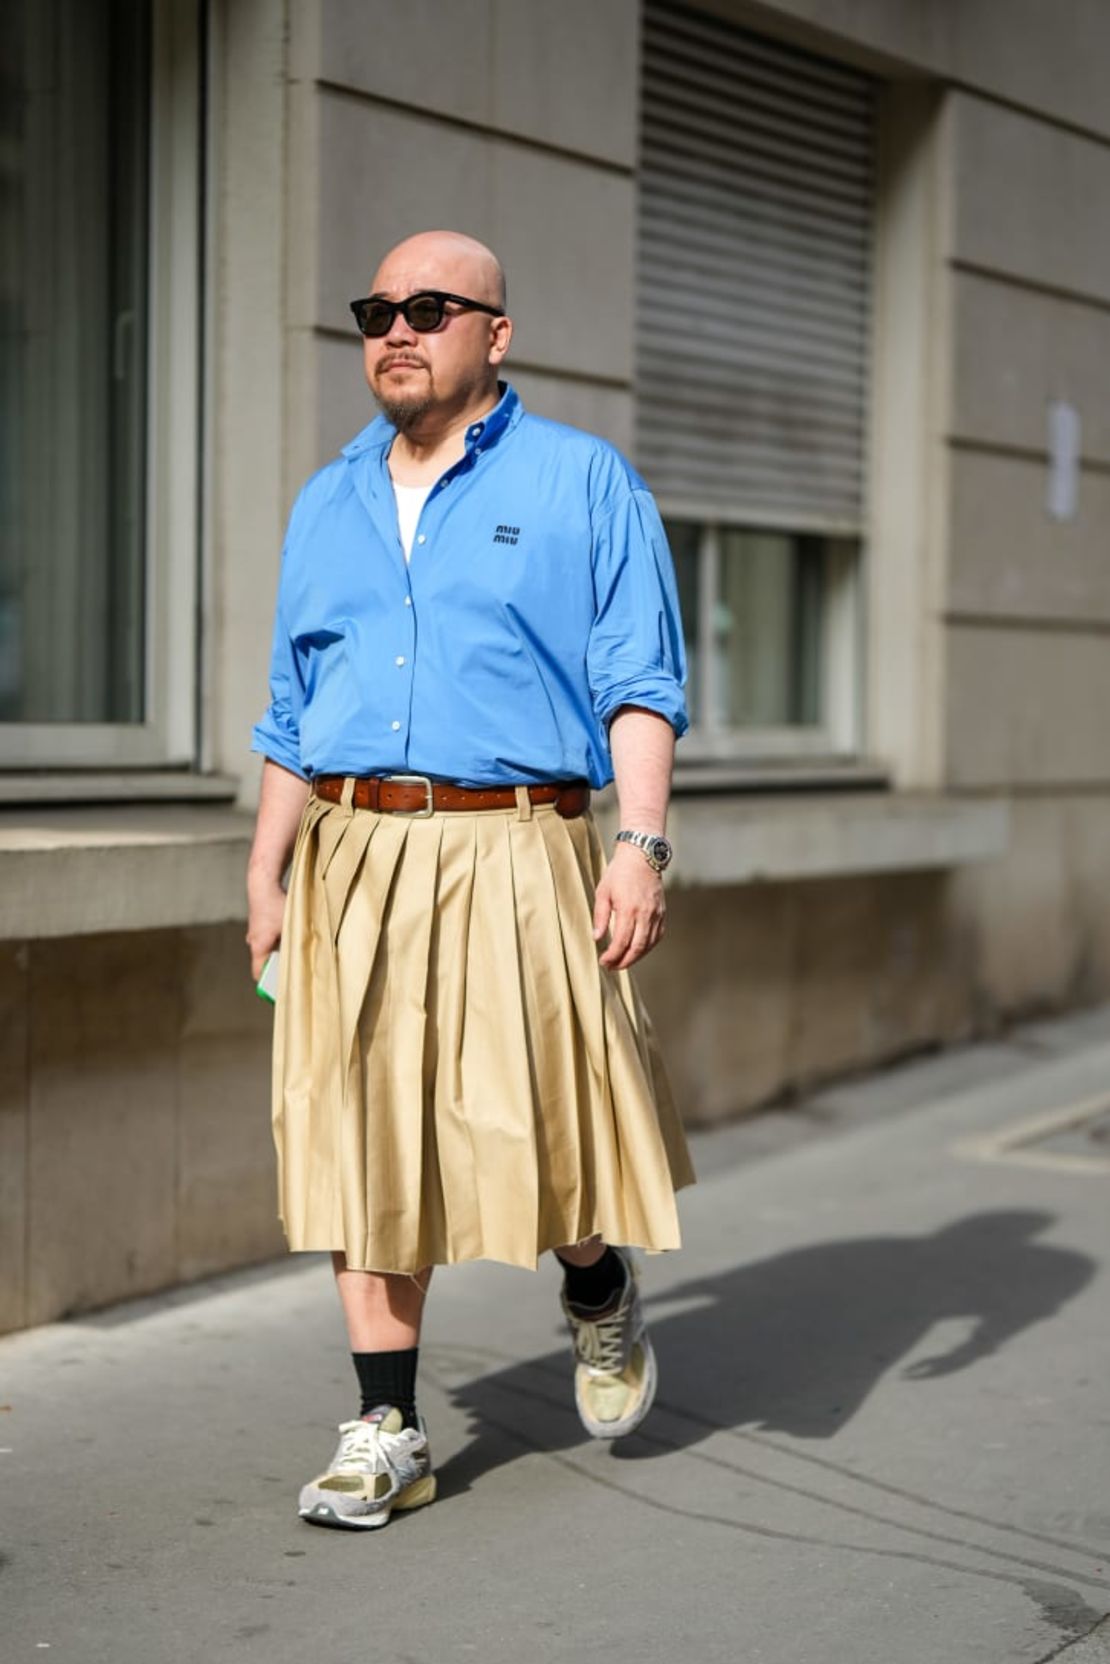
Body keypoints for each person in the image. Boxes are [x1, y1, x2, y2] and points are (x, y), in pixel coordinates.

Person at [247, 229, 694, 1530]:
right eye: (375, 307)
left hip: (517, 842)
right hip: (353, 852)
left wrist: (639, 841)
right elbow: (292, 710)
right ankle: (386, 1423)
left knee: (536, 1118)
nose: (397, 326)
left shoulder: (579, 481)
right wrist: (267, 870)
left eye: (429, 307)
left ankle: (597, 1289)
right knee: (362, 1130)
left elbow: (638, 683)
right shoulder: (325, 499)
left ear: (493, 334)